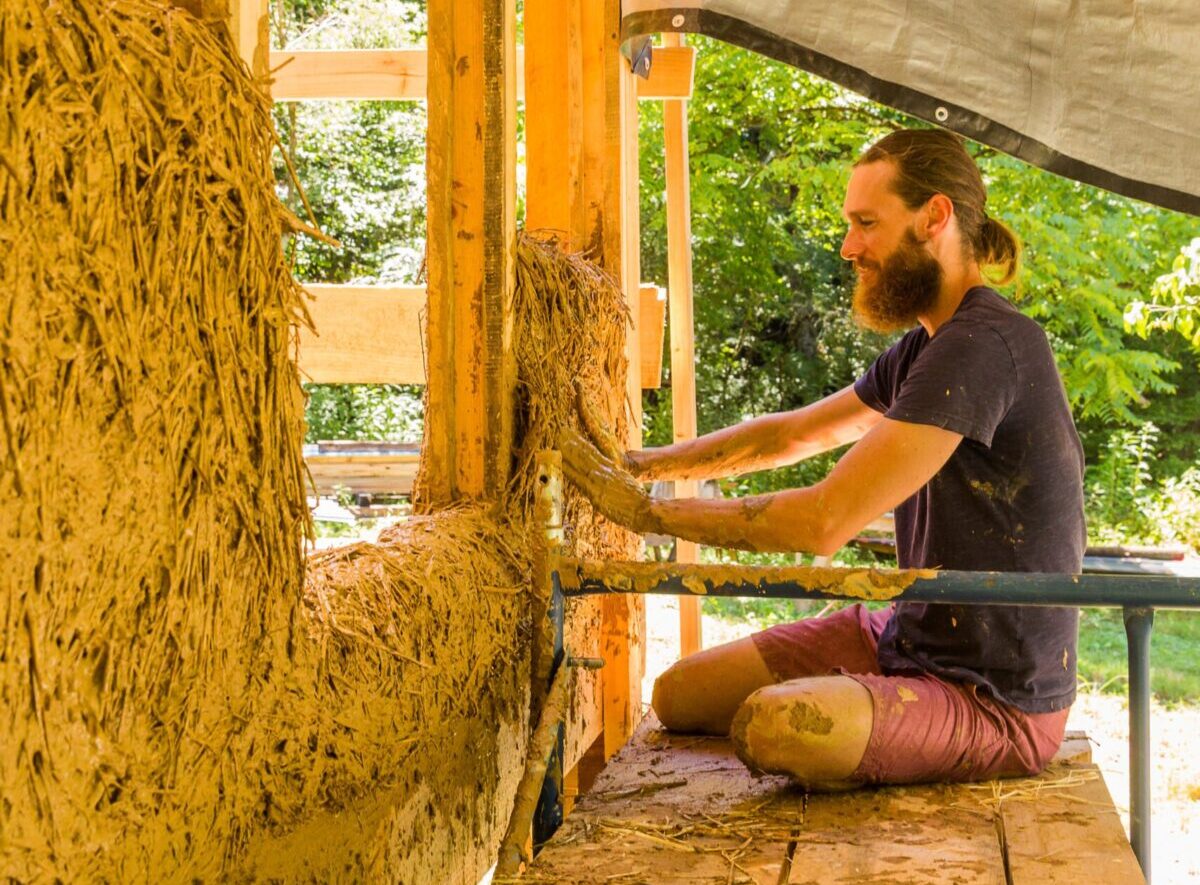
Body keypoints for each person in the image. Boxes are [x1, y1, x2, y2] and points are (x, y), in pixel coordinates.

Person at [561, 128, 1085, 791]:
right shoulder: (930, 345)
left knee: (773, 727)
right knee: (679, 695)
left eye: (867, 224)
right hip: (906, 634)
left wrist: (647, 516)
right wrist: (636, 466)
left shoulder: (985, 343)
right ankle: (872, 706)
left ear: (935, 217)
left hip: (994, 697)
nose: (849, 248)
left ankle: (873, 721)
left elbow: (824, 521)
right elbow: (790, 437)